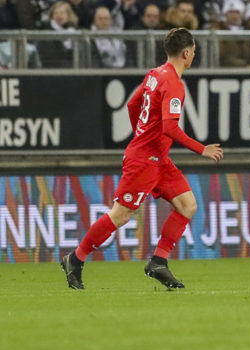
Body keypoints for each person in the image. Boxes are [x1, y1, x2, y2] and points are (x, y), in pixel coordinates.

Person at [60, 28, 224, 290]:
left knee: (187, 205)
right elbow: (170, 128)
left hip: (157, 158)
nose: (193, 56)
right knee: (121, 215)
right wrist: (200, 148)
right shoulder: (174, 85)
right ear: (186, 53)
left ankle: (158, 261)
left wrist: (143, 134)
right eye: (193, 52)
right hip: (144, 160)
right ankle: (75, 259)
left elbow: (132, 105)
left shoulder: (154, 75)